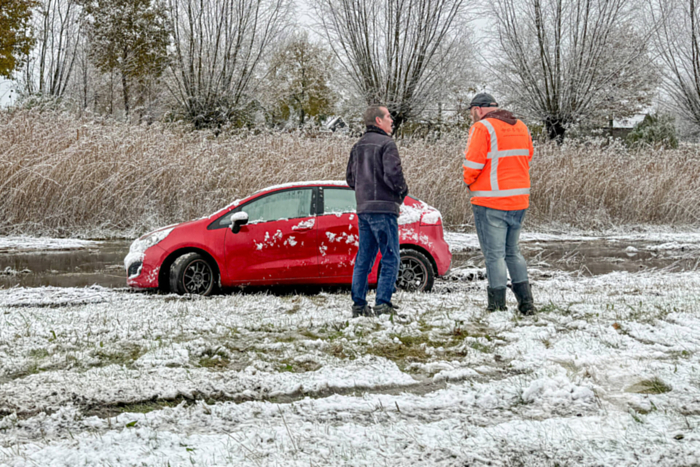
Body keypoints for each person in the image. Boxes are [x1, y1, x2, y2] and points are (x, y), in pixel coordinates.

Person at [462, 93, 537, 315]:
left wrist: (468, 182)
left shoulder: (482, 128)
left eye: (471, 112)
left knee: (494, 255)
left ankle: (497, 306)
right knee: (513, 251)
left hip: (490, 200)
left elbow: (472, 163)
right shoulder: (521, 126)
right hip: (519, 200)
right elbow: (528, 156)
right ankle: (526, 304)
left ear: (478, 109)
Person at [346, 105, 408, 318]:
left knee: (364, 256)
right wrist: (401, 193)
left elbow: (350, 179)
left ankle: (359, 304)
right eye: (389, 116)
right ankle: (383, 302)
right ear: (378, 120)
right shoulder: (387, 144)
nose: (392, 120)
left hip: (364, 209)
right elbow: (394, 174)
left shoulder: (357, 146)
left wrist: (364, 194)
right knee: (391, 256)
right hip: (384, 208)